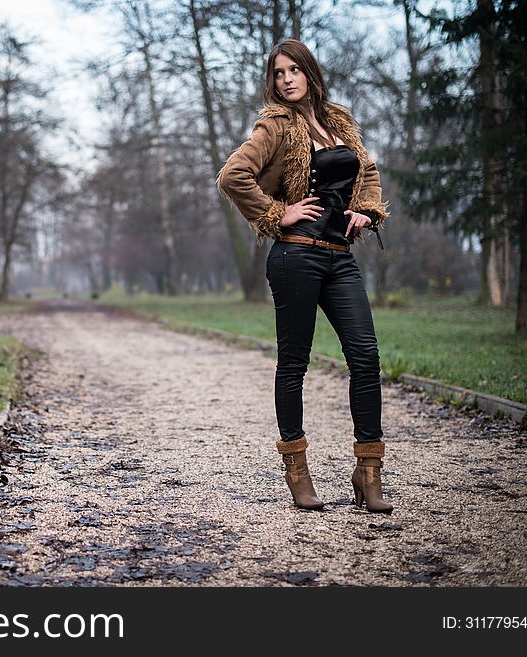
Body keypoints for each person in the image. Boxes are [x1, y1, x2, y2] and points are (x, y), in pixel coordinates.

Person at [216, 39, 393, 513]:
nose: (287, 79)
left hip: (340, 257)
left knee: (365, 358)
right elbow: (233, 176)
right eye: (278, 73)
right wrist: (278, 212)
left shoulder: (338, 120)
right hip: (295, 256)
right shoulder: (274, 125)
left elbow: (368, 170)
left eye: (294, 70)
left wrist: (366, 212)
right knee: (294, 364)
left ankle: (368, 471)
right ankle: (297, 471)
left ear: (310, 73)